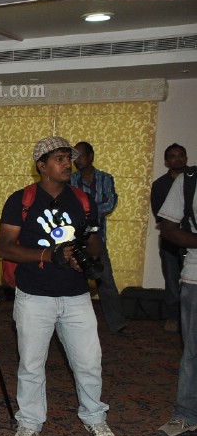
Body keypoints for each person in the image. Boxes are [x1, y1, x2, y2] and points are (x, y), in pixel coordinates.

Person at [0, 136, 116, 436]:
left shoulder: (82, 200)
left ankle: (95, 417)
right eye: (60, 158)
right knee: (32, 364)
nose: (68, 164)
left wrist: (88, 257)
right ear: (42, 166)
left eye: (69, 158)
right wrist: (50, 255)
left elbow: (92, 237)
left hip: (76, 296)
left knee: (89, 361)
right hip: (34, 295)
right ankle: (29, 423)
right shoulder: (20, 200)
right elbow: (5, 247)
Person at [70, 141, 132, 335]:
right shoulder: (70, 181)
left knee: (106, 282)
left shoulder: (106, 178)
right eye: (74, 157)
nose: (76, 160)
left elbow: (110, 204)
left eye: (80, 156)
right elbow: (70, 207)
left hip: (97, 239)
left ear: (91, 156)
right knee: (70, 281)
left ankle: (118, 324)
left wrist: (86, 211)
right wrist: (91, 210)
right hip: (73, 240)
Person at [154, 163, 197, 436]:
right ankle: (186, 414)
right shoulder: (189, 180)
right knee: (192, 353)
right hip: (196, 280)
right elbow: (168, 228)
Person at [151, 143, 188, 333]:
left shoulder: (194, 180)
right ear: (166, 161)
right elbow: (160, 215)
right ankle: (172, 317)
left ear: (186, 158)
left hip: (193, 240)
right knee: (172, 281)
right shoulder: (159, 185)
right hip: (170, 240)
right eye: (172, 156)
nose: (177, 159)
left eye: (181, 155)